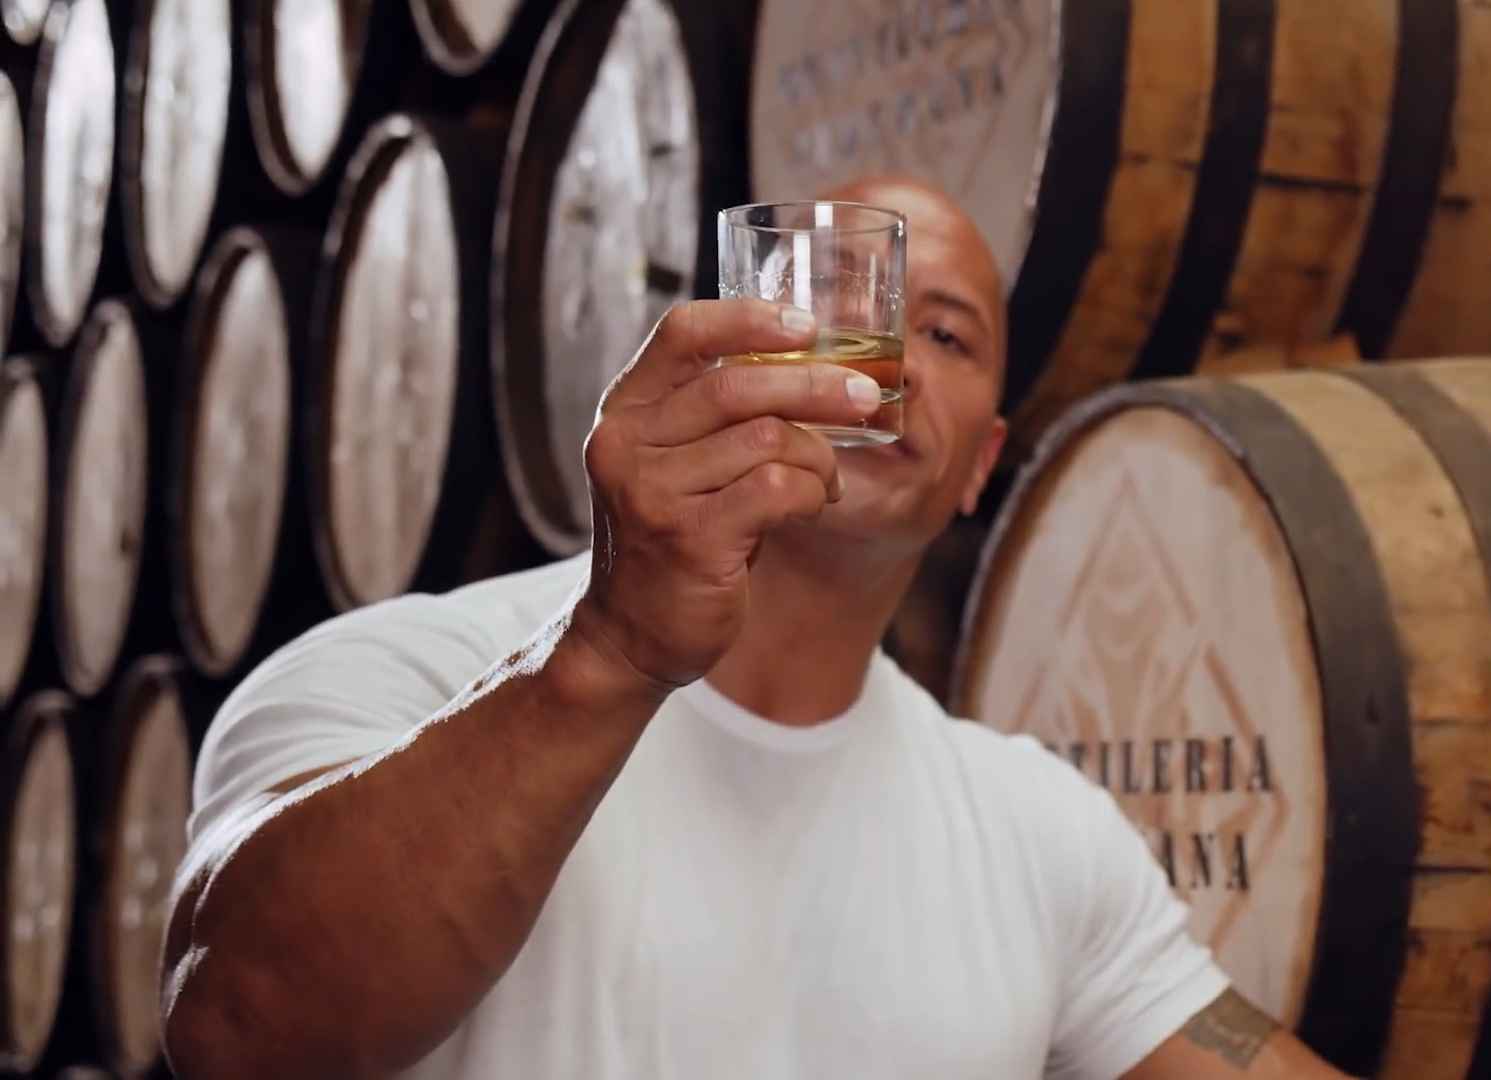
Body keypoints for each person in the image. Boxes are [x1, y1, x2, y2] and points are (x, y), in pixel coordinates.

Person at [160, 178, 1353, 1080]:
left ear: (983, 467)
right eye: (836, 304)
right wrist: (613, 651)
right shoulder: (396, 676)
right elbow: (238, 1030)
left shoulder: (1039, 830)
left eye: (945, 336)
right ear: (729, 353)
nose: (881, 363)